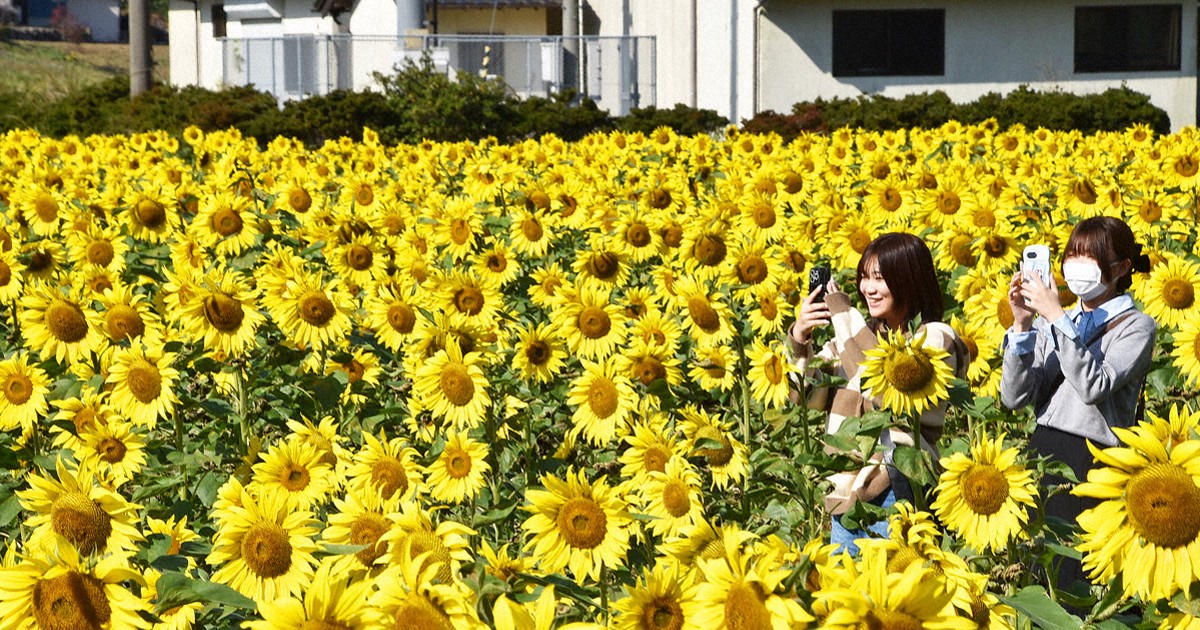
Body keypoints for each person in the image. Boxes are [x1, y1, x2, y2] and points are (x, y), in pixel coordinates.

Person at [787, 232, 967, 555]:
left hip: (897, 488)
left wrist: (843, 315)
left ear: (908, 279)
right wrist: (800, 338)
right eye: (864, 278)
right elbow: (805, 396)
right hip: (846, 497)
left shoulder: (937, 337)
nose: (867, 288)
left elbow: (889, 386)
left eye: (879, 278)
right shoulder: (854, 340)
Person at [1001, 215, 1154, 587]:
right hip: (1043, 450)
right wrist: (1022, 326)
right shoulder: (1054, 321)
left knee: (1073, 575)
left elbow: (1093, 385)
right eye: (1072, 254)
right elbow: (1014, 396)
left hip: (1091, 458)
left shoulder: (1136, 326)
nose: (1075, 265)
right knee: (1036, 571)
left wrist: (1055, 316)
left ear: (1121, 268)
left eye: (1090, 257)